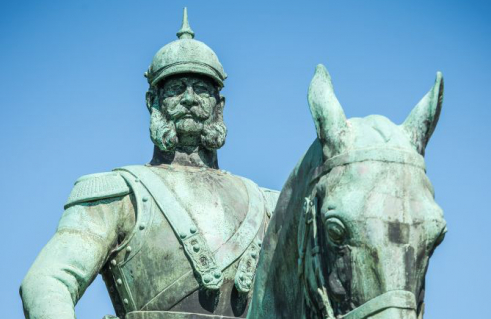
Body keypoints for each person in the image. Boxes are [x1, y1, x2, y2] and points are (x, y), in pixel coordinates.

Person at [20, 8, 279, 319]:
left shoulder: (270, 208)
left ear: (219, 105)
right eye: (174, 89)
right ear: (152, 102)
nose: (188, 98)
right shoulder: (119, 194)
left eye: (201, 89)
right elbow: (47, 281)